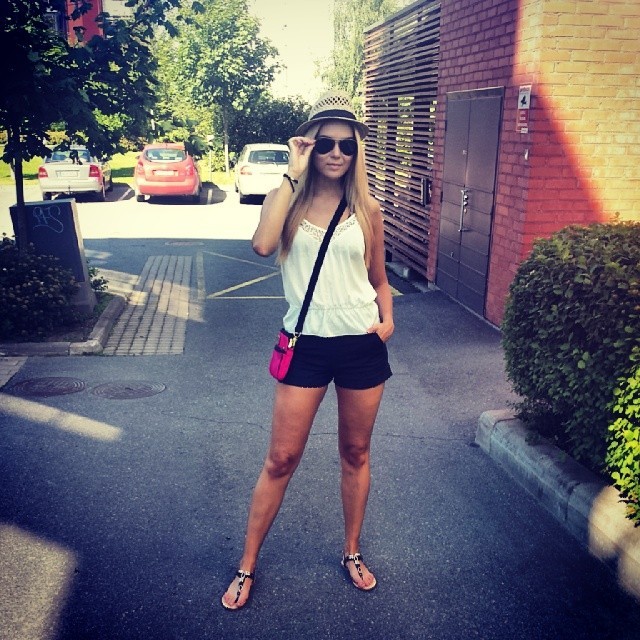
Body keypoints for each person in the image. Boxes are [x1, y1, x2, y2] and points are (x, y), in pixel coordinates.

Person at [221, 90, 394, 610]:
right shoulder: (287, 202)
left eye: (347, 144)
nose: (337, 152)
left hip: (361, 345)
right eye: (325, 143)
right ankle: (247, 565)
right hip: (306, 345)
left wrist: (387, 320)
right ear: (310, 146)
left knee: (355, 453)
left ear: (356, 150)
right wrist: (290, 175)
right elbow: (262, 246)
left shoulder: (368, 209)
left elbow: (379, 280)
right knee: (281, 458)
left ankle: (351, 551)